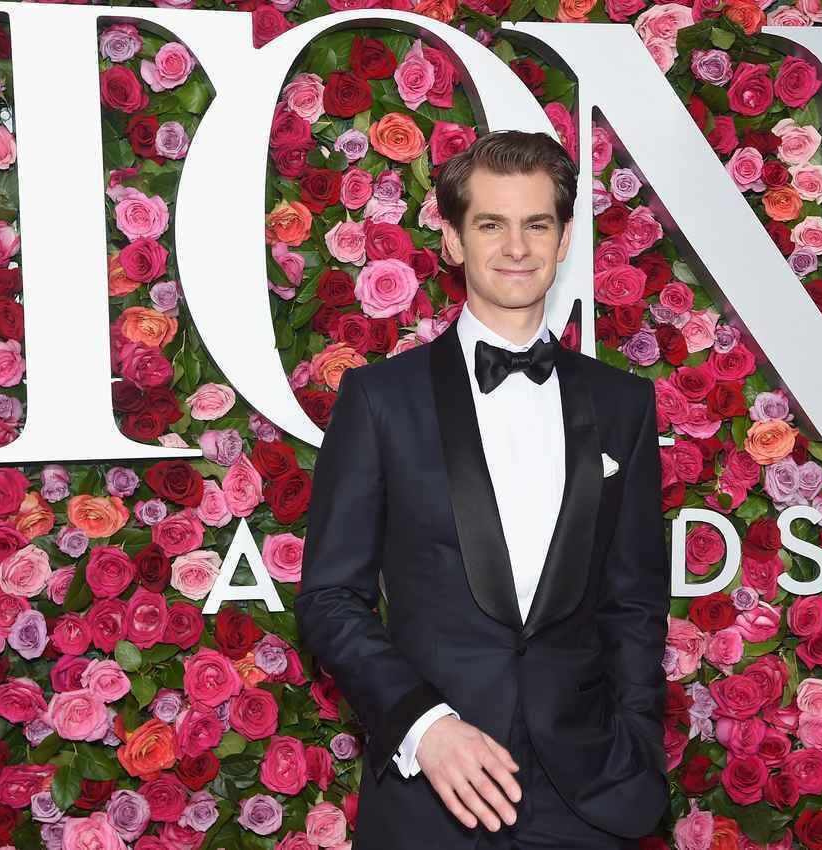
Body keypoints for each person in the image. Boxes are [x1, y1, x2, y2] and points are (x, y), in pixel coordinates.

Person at [295, 130, 669, 849]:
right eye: (492, 224)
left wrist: (637, 746)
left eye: (537, 225)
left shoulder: (623, 404)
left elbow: (634, 601)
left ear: (564, 239)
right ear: (453, 239)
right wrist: (425, 727)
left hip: (589, 797)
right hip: (432, 795)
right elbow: (330, 597)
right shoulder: (380, 400)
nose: (517, 247)